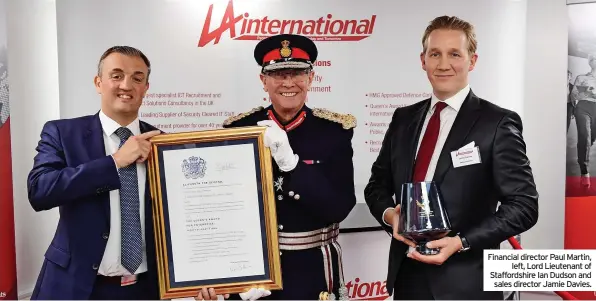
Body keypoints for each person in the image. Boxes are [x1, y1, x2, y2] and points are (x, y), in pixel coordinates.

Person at [364, 16, 539, 300]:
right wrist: (390, 215)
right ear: (423, 60)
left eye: (454, 54)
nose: (443, 64)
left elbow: (524, 205)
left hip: (466, 284)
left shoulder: (497, 123)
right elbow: (376, 186)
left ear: (472, 61)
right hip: (408, 275)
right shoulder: (403, 119)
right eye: (435, 54)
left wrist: (461, 242)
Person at [208, 33, 357, 300]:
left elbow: (339, 207)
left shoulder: (333, 132)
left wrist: (293, 165)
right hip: (251, 269)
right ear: (264, 81)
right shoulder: (240, 129)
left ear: (311, 78)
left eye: (297, 73)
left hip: (310, 269)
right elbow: (222, 203)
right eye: (279, 74)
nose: (288, 82)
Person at [27, 46, 164, 300]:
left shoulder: (162, 143)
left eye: (137, 78)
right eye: (116, 75)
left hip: (146, 289)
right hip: (76, 287)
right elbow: (40, 190)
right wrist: (115, 162)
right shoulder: (62, 133)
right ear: (98, 82)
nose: (127, 84)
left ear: (146, 87)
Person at [570, 56, 596, 188]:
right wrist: (586, 91)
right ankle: (584, 172)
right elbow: (573, 95)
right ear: (590, 62)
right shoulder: (581, 78)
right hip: (583, 107)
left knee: (590, 139)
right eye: (593, 58)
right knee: (584, 136)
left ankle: (584, 149)